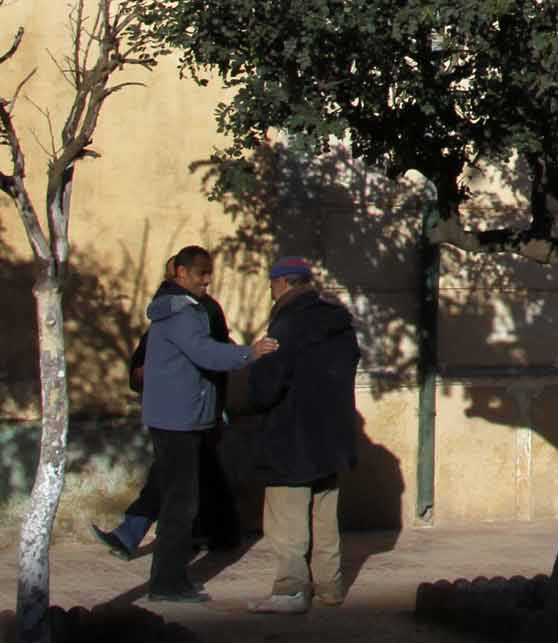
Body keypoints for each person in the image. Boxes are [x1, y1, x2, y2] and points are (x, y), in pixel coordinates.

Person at [132, 246, 276, 604]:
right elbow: (205, 353)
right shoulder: (182, 312)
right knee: (180, 505)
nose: (207, 280)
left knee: (181, 500)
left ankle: (171, 578)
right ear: (181, 273)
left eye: (209, 272)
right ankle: (167, 584)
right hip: (177, 420)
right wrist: (249, 353)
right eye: (201, 273)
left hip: (179, 416)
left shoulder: (177, 307)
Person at [96, 251, 245, 562]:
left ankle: (186, 542)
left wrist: (241, 360)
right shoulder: (172, 310)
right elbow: (149, 351)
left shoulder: (200, 310)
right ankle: (202, 538)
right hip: (178, 412)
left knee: (179, 482)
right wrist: (141, 371)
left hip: (197, 410)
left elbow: (212, 354)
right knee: (175, 479)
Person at [243, 256, 361, 614]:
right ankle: (330, 586)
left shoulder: (286, 324)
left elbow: (266, 387)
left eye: (271, 285)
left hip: (291, 437)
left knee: (287, 518)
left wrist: (254, 371)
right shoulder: (339, 322)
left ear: (282, 284)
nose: (271, 292)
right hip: (332, 437)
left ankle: (291, 590)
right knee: (325, 516)